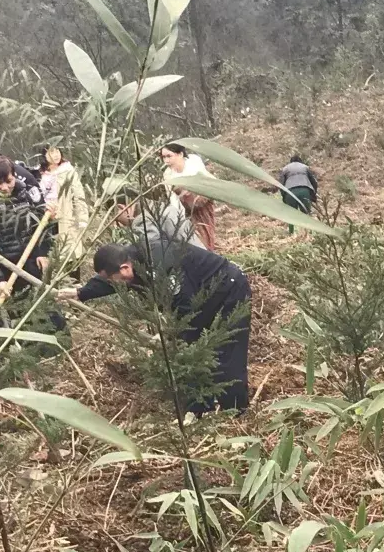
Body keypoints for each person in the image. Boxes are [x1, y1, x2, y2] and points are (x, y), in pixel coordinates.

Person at [60, 239, 251, 415]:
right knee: (190, 353)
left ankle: (235, 411)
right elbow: (108, 281)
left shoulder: (164, 268)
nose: (111, 284)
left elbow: (185, 305)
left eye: (112, 279)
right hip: (199, 294)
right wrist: (81, 293)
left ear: (125, 268)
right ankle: (199, 409)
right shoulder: (128, 261)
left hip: (228, 288)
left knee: (227, 349)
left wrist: (171, 332)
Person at [0, 156, 52, 304]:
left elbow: (36, 227)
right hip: (2, 267)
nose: (5, 188)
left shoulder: (24, 195)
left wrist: (41, 253)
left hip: (27, 263)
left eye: (9, 181)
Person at [39, 146, 89, 273]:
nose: (55, 155)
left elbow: (78, 195)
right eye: (51, 152)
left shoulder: (68, 170)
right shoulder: (40, 174)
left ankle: (72, 284)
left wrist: (82, 218)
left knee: (69, 253)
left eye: (57, 151)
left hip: (66, 217)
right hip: (47, 220)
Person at [161, 143, 217, 251]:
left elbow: (205, 182)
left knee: (205, 236)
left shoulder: (193, 162)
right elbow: (172, 198)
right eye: (164, 157)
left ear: (180, 154)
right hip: (185, 211)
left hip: (202, 204)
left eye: (169, 156)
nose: (166, 161)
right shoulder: (168, 174)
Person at [279, 155, 319, 234]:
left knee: (291, 214)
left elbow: (281, 184)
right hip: (304, 190)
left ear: (290, 161)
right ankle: (308, 233)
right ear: (300, 161)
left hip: (290, 192)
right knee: (306, 213)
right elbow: (313, 181)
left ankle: (291, 233)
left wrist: (283, 195)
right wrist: (314, 193)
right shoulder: (305, 167)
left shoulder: (285, 169)